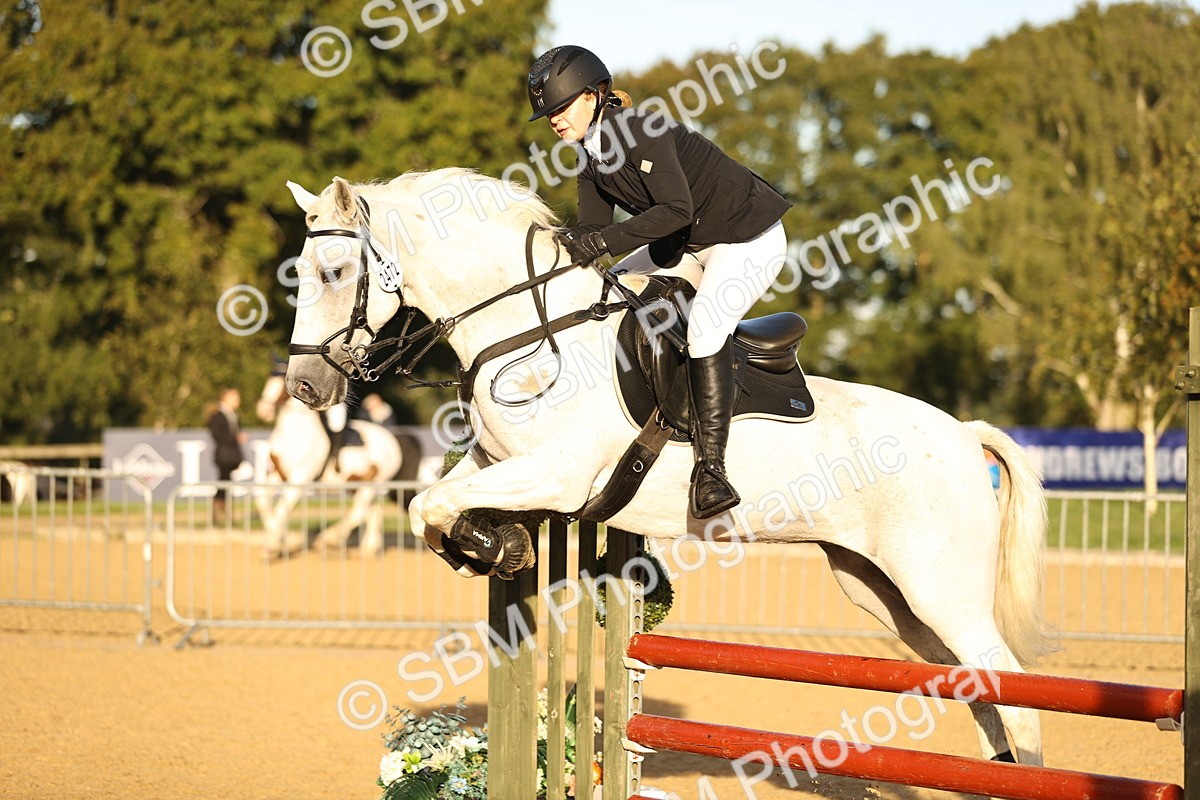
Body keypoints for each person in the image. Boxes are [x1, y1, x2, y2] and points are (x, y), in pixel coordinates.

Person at [528, 45, 793, 519]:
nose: (553, 119)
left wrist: (603, 239)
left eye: (560, 107)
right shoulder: (589, 158)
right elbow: (592, 232)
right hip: (687, 244)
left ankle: (711, 470)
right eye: (549, 112)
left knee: (706, 329)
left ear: (593, 95)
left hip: (746, 237)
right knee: (608, 285)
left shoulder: (642, 132)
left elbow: (676, 210)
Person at [207, 387, 247, 523]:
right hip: (224, 455)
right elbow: (217, 434)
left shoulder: (234, 414)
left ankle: (225, 513)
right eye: (235, 397)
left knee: (226, 484)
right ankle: (219, 513)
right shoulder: (218, 415)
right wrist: (234, 438)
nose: (238, 401)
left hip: (232, 455)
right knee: (223, 483)